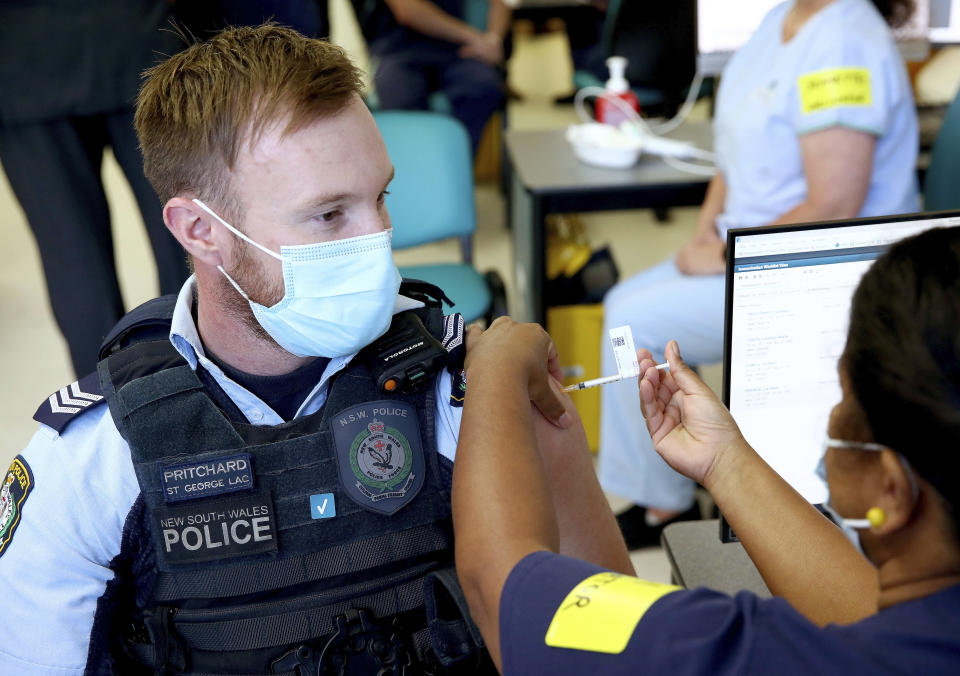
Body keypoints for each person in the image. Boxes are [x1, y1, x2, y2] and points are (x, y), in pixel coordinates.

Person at [454, 226, 960, 673]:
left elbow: (503, 594)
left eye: (842, 398)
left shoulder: (751, 653)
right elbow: (867, 612)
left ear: (890, 490)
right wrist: (724, 460)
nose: (832, 416)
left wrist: (494, 370)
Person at [599, 0, 921, 549]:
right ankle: (667, 499)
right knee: (625, 303)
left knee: (632, 319)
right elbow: (732, 158)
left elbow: (836, 201)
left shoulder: (843, 39)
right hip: (753, 248)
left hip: (823, 270)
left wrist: (724, 255)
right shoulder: (781, 22)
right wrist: (705, 233)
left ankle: (664, 505)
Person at [0, 0, 191, 376]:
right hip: (136, 36)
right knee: (186, 237)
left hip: (22, 58)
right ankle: (205, 394)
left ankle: (109, 410)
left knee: (72, 258)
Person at [359, 0, 511, 152]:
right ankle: (413, 165)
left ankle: (455, 163)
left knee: (483, 86)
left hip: (457, 51)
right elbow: (408, 10)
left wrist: (493, 39)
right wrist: (475, 38)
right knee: (398, 95)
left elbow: (502, 2)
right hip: (399, 50)